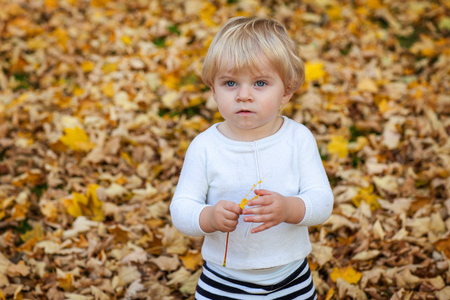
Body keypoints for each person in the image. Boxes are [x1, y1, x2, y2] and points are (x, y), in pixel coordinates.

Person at [170, 16, 334, 300]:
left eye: (260, 83)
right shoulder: (206, 146)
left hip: (290, 277)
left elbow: (322, 201)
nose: (244, 96)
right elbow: (181, 208)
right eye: (230, 83)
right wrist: (208, 216)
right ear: (212, 89)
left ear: (287, 89)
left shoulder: (297, 139)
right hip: (223, 280)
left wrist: (289, 209)